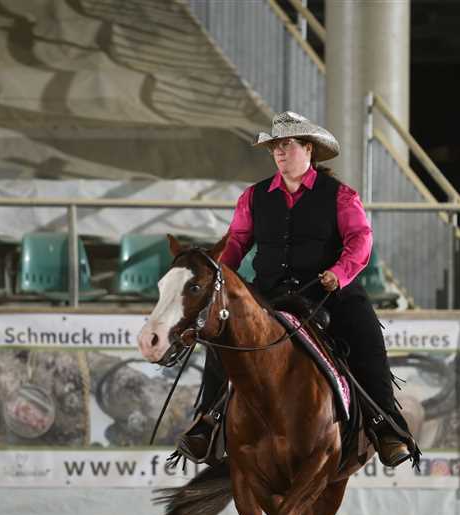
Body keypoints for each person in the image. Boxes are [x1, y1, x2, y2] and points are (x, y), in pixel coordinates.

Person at [177, 111, 417, 467]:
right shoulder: (254, 196)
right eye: (275, 146)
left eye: (287, 145)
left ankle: (386, 425)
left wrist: (339, 272)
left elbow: (360, 239)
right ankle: (207, 422)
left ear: (308, 149)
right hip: (269, 294)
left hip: (327, 292)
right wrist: (218, 273)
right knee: (223, 332)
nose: (279, 152)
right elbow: (237, 241)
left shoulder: (341, 195)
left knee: (367, 335)